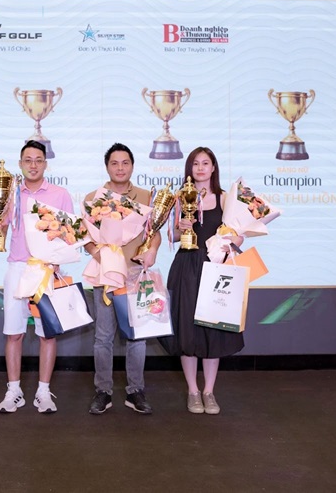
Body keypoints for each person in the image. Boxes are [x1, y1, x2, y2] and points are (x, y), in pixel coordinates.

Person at [158, 147, 244, 415]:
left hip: (215, 269)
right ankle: (193, 391)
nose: (200, 168)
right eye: (195, 163)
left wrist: (230, 242)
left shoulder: (226, 198)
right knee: (187, 329)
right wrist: (180, 228)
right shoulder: (180, 197)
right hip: (186, 267)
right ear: (189, 168)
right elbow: (172, 236)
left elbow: (240, 235)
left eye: (206, 163)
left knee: (213, 329)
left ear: (213, 167)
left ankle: (209, 391)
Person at [0, 140, 74, 414]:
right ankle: (13, 391)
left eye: (38, 160)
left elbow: (71, 234)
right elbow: (2, 231)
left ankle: (43, 391)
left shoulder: (60, 194)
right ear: (20, 164)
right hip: (17, 268)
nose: (33, 165)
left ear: (45, 164)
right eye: (28, 160)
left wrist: (58, 259)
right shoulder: (10, 194)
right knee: (14, 333)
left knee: (46, 334)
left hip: (47, 270)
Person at [85, 143, 161, 415]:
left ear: (132, 166)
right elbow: (86, 237)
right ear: (107, 167)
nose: (120, 168)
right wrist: (98, 254)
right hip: (106, 276)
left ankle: (135, 391)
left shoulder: (146, 196)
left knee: (137, 337)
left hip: (136, 276)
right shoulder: (94, 198)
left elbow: (155, 232)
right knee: (103, 337)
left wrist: (152, 250)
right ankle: (103, 391)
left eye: (125, 162)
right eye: (114, 163)